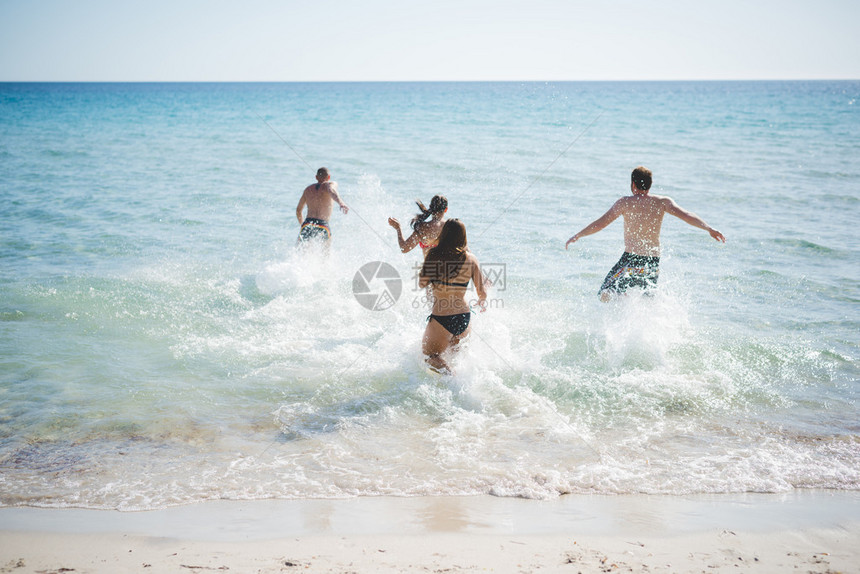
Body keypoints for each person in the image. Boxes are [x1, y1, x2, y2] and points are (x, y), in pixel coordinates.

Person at [565, 166, 725, 301]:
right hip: (652, 263)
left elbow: (600, 223)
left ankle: (623, 304)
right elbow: (687, 215)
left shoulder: (625, 202)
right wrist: (709, 228)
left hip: (630, 260)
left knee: (605, 294)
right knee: (646, 302)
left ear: (633, 184)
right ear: (650, 184)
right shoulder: (663, 202)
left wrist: (579, 235)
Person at [418, 219, 487, 374]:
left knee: (430, 356)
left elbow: (422, 283)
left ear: (444, 234)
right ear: (463, 236)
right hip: (463, 317)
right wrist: (481, 302)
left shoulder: (433, 254)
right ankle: (460, 385)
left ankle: (452, 380)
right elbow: (482, 293)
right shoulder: (471, 258)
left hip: (442, 317)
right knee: (454, 357)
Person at [295, 167, 349, 246]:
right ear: (329, 177)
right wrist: (341, 203)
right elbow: (332, 191)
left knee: (301, 251)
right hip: (322, 225)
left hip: (308, 223)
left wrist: (302, 225)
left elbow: (298, 210)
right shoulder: (329, 185)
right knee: (325, 252)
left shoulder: (307, 190)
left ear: (316, 177)